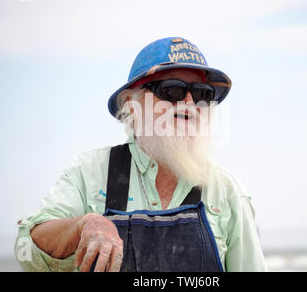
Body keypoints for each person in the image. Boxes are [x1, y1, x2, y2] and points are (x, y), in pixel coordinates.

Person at [14, 37, 267, 272]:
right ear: (132, 105)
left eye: (202, 93)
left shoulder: (228, 192)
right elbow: (27, 250)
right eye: (173, 90)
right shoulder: (91, 171)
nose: (190, 102)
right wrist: (83, 226)